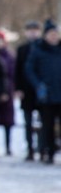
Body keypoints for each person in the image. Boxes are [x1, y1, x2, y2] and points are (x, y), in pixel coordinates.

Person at [25, 19, 61, 164]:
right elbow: (29, 69)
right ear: (46, 35)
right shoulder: (38, 50)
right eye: (51, 34)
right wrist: (38, 85)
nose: (54, 37)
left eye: (56, 34)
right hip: (47, 95)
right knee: (48, 126)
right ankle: (49, 152)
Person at [14, 20, 42, 160]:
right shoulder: (22, 49)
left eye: (35, 29)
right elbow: (17, 70)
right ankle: (30, 149)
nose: (33, 32)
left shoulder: (44, 47)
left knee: (43, 121)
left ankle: (43, 148)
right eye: (30, 30)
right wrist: (18, 88)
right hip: (26, 90)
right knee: (28, 121)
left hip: (42, 90)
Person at [0, 30, 15, 155]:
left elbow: (12, 74)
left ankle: (8, 147)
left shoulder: (10, 56)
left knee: (7, 122)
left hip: (8, 91)